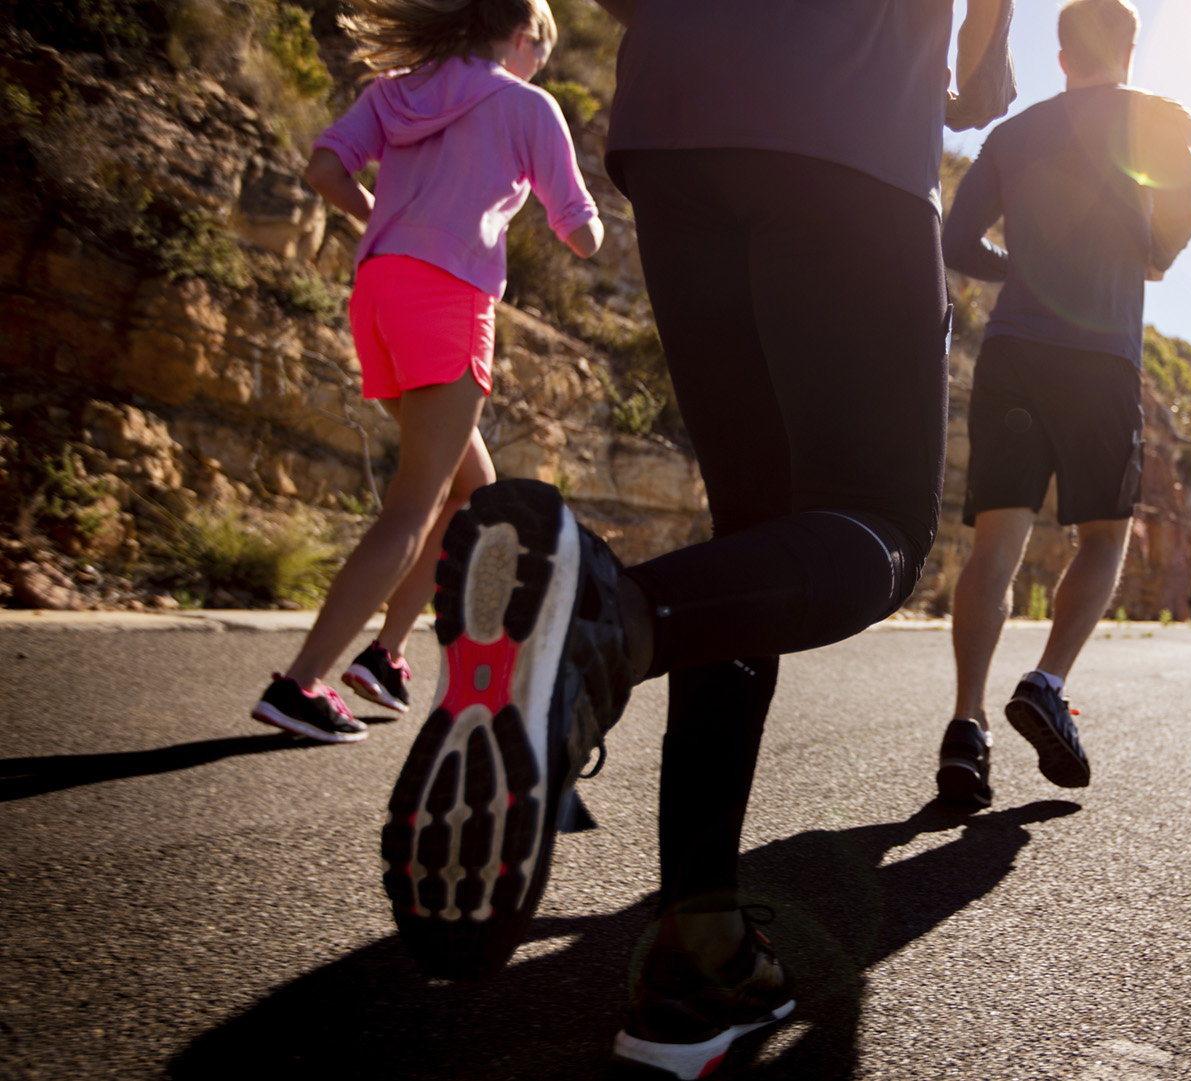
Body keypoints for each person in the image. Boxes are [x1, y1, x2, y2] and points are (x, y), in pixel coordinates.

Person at [376, 0, 1015, 1075]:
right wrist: (976, 67)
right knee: (879, 528)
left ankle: (698, 945)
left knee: (757, 537)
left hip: (675, 125)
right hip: (847, 129)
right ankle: (601, 616)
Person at [249, 0, 600, 744]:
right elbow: (582, 236)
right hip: (448, 300)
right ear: (519, 38)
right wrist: (597, 213)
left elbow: (323, 169)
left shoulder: (396, 89)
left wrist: (387, 215)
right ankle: (300, 682)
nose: (543, 64)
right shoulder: (528, 104)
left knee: (470, 492)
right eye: (543, 48)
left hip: (380, 292)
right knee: (414, 503)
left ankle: (384, 655)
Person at [935, 0, 1191, 808]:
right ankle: (1047, 681)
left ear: (1059, 56)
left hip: (1014, 353)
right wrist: (1152, 251)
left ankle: (965, 727)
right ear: (1127, 49)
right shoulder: (1157, 121)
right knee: (1106, 536)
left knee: (995, 547)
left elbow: (951, 240)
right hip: (1101, 358)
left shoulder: (1012, 136)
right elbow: (1183, 216)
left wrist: (1017, 270)